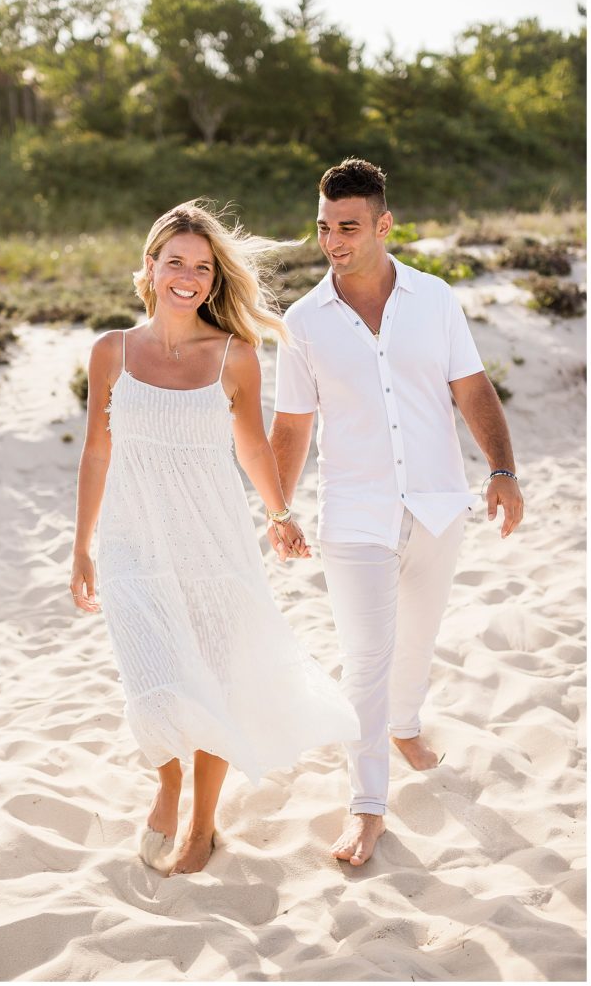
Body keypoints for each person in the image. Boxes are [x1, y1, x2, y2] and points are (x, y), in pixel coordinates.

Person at [70, 201, 360, 876]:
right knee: (157, 681)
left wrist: (280, 513)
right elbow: (95, 453)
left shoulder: (233, 354)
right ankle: (169, 785)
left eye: (202, 267)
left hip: (212, 544)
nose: (189, 277)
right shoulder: (110, 351)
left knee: (218, 682)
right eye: (176, 262)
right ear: (150, 267)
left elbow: (253, 445)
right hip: (131, 546)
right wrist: (81, 547)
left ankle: (202, 827)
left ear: (212, 278)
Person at [269, 158, 524, 868]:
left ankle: (405, 725)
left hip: (440, 501)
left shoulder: (436, 299)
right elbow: (291, 428)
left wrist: (502, 470)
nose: (333, 240)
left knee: (418, 638)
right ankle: (367, 806)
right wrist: (278, 507)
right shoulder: (302, 323)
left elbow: (472, 389)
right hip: (353, 514)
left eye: (348, 227)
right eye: (324, 227)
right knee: (366, 660)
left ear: (384, 224)